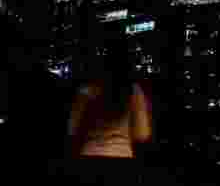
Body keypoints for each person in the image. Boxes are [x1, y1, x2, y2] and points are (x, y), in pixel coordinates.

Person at [64, 39, 153, 185]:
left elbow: (72, 130)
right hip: (122, 162)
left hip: (89, 160)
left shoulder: (86, 91)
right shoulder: (134, 91)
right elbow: (142, 135)